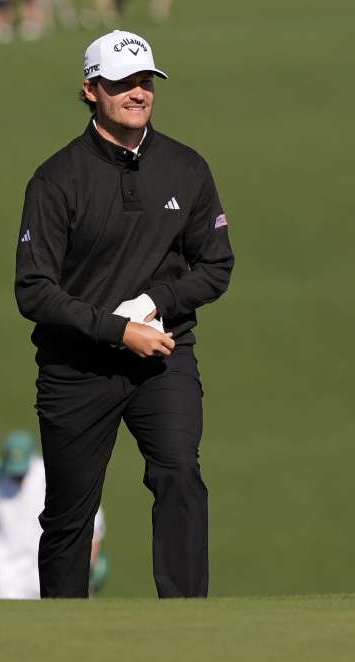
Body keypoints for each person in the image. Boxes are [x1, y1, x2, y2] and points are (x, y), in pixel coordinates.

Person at [14, 30, 234, 598]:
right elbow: (34, 290)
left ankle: (186, 624)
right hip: (76, 368)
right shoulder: (56, 179)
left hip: (162, 356)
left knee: (180, 475)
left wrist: (157, 306)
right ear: (91, 90)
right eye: (120, 83)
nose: (136, 93)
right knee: (69, 516)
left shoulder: (186, 169)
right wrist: (116, 330)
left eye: (144, 82)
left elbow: (215, 266)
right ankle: (65, 640)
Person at [0, 431, 106, 599]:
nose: (17, 475)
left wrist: (87, 562)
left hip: (48, 563)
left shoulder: (51, 474)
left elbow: (90, 516)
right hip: (4, 569)